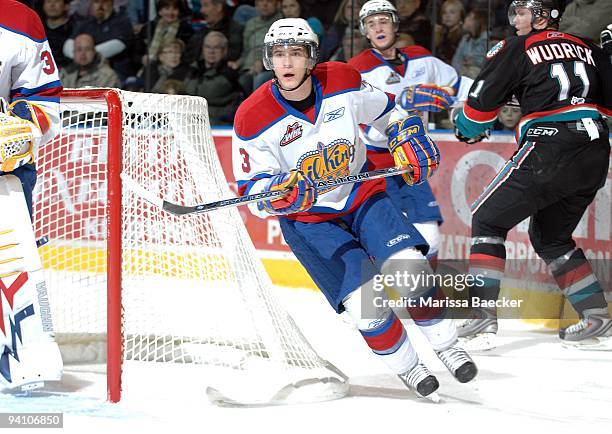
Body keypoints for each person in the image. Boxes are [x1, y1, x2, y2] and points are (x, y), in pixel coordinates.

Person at [233, 17, 478, 398]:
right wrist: (276, 193)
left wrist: (404, 132)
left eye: (296, 53)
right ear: (268, 59)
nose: (287, 62)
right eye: (278, 54)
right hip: (310, 222)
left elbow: (387, 112)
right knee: (367, 308)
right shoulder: (252, 116)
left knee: (410, 270)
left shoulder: (343, 80)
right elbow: (252, 190)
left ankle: (448, 345)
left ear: (311, 57)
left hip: (362, 197)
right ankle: (410, 369)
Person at [453, 0, 612, 350]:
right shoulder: (588, 48)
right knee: (552, 237)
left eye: (522, 13)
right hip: (596, 152)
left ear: (543, 17)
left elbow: (478, 110)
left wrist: (465, 127)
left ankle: (481, 319)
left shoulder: (518, 46)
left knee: (488, 218)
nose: (515, 20)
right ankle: (596, 315)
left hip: (549, 147)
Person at [349, 0, 473, 269]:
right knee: (394, 244)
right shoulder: (357, 69)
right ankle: (397, 297)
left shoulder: (421, 57)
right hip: (375, 166)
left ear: (395, 24)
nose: (378, 28)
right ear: (365, 32)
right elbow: (365, 128)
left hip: (414, 161)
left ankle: (427, 301)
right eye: (371, 24)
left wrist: (493, 96)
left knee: (432, 239)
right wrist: (402, 103)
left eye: (383, 21)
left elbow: (460, 86)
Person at [0, 0, 63, 392]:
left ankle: (21, 358)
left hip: (3, 171)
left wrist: (21, 129)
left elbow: (43, 95)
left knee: (10, 266)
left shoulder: (18, 19)